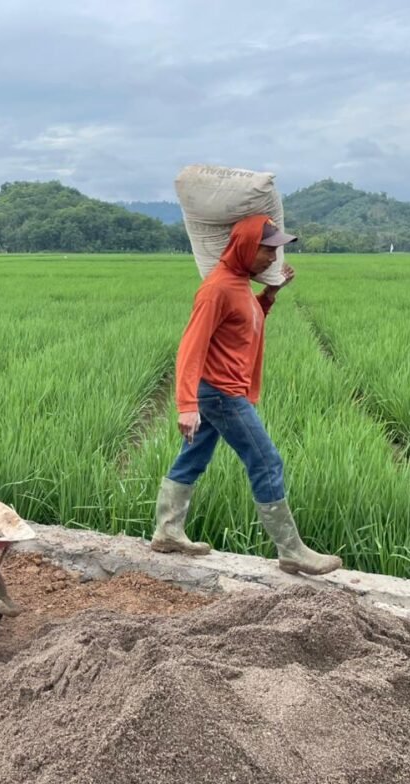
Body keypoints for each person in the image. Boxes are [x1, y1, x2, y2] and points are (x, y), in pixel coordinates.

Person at [150, 215, 342, 576]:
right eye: (267, 249)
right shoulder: (217, 289)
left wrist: (268, 296)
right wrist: (186, 404)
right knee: (267, 462)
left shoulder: (238, 284)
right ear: (245, 247)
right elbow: (190, 348)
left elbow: (243, 325)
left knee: (194, 457)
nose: (273, 257)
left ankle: (167, 531)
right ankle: (291, 551)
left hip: (221, 390)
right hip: (222, 393)